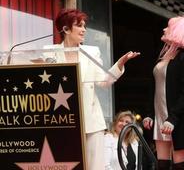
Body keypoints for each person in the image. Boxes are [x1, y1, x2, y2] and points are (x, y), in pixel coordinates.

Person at [44, 9, 140, 170]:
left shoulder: (91, 52)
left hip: (91, 121)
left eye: (84, 26)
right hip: (61, 120)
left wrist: (120, 64)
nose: (84, 29)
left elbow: (103, 81)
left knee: (94, 166)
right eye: (79, 26)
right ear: (66, 29)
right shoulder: (50, 52)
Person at [143, 13, 184, 169]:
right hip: (160, 115)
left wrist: (173, 118)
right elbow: (154, 87)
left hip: (178, 118)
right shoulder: (163, 56)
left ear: (179, 32)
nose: (164, 29)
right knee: (161, 164)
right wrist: (149, 114)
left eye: (169, 27)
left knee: (179, 164)